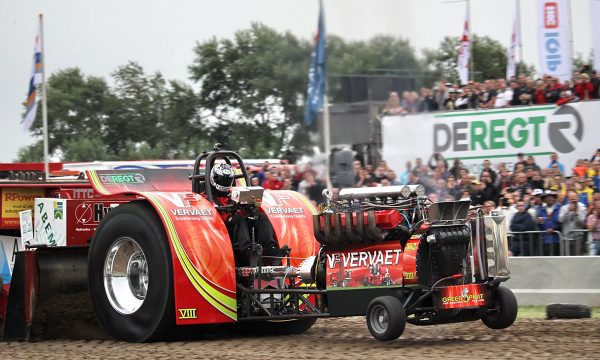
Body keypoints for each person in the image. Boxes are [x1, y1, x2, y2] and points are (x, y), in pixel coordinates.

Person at [209, 163, 289, 266]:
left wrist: (249, 207)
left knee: (261, 216)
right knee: (238, 218)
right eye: (222, 180)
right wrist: (229, 216)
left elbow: (243, 206)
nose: (225, 182)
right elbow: (211, 213)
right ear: (214, 179)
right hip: (222, 227)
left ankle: (272, 251)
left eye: (227, 180)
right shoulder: (206, 196)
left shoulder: (234, 193)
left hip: (239, 224)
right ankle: (248, 251)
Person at [559, 191, 588, 256]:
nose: (573, 202)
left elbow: (582, 223)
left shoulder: (582, 208)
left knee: (577, 259)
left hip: (578, 238)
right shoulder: (564, 208)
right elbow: (560, 220)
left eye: (575, 200)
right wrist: (568, 211)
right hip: (567, 237)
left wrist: (576, 214)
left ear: (578, 198)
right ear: (568, 200)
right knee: (567, 259)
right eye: (571, 200)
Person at [536, 191, 562, 255]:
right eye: (547, 197)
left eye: (551, 197)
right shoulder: (542, 210)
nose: (549, 199)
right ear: (544, 199)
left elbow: (562, 222)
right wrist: (539, 223)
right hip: (546, 240)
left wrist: (553, 229)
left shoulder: (560, 208)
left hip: (557, 239)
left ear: (554, 198)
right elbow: (540, 226)